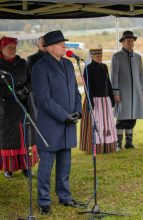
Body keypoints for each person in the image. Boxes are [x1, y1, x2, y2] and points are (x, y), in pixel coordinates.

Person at [31, 30, 83, 215]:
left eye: (64, 43)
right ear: (50, 47)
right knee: (46, 166)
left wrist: (78, 110)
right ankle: (44, 201)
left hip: (68, 123)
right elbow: (44, 99)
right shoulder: (39, 67)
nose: (64, 46)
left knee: (65, 164)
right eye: (61, 44)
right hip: (50, 125)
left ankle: (65, 197)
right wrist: (63, 116)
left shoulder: (69, 64)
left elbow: (75, 91)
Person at [0, 36, 38, 178]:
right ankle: (8, 168)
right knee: (9, 139)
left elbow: (31, 80)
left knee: (26, 137)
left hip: (24, 105)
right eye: (9, 48)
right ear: (2, 49)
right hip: (6, 109)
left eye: (14, 47)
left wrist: (26, 90)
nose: (13, 50)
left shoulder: (22, 63)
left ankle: (26, 166)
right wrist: (12, 94)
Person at [111, 30, 143, 151]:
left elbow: (141, 75)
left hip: (136, 92)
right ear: (123, 42)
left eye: (132, 41)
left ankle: (129, 142)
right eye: (128, 41)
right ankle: (118, 143)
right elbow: (114, 76)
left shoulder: (138, 57)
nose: (130, 43)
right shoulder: (116, 57)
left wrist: (142, 91)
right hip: (122, 93)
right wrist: (115, 92)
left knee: (132, 117)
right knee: (122, 117)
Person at [80, 49, 117, 154]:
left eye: (101, 56)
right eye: (98, 56)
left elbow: (108, 83)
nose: (100, 58)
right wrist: (90, 102)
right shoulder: (88, 69)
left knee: (107, 123)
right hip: (94, 100)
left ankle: (107, 145)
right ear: (92, 57)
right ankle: (96, 146)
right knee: (97, 123)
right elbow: (88, 87)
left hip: (105, 100)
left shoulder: (104, 67)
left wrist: (111, 97)